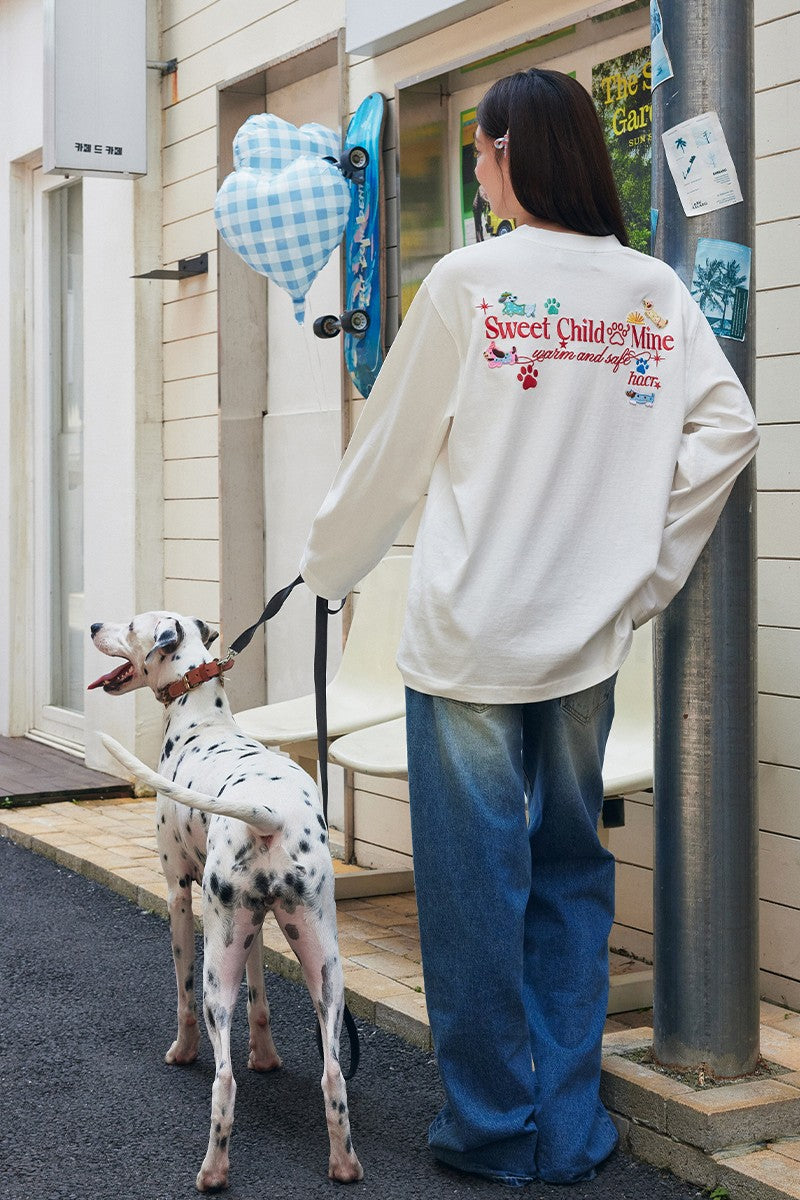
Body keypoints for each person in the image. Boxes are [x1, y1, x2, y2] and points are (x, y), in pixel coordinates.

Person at [299, 68, 759, 1187]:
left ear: (508, 152)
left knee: (470, 892)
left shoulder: (470, 283)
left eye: (477, 150)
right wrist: (641, 573)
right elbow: (727, 427)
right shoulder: (649, 288)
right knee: (565, 871)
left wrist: (324, 569)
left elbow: (392, 456)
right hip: (583, 642)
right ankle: (567, 1129)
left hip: (466, 639)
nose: (472, 166)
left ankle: (492, 1131)